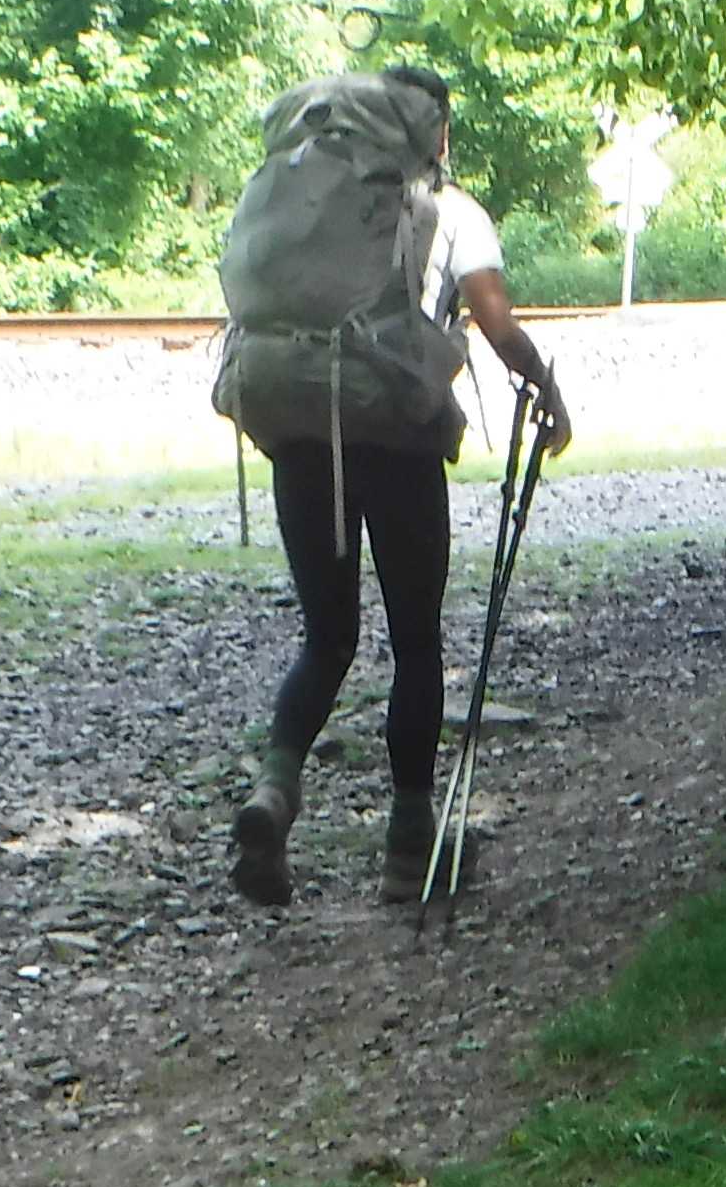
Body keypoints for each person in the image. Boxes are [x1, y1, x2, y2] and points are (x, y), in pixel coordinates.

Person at [225, 64, 573, 904]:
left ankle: (274, 793)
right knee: (415, 642)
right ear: (435, 133)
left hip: (305, 428)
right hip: (399, 435)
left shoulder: (303, 196)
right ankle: (410, 845)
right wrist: (546, 390)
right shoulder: (448, 210)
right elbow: (494, 320)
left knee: (328, 636)